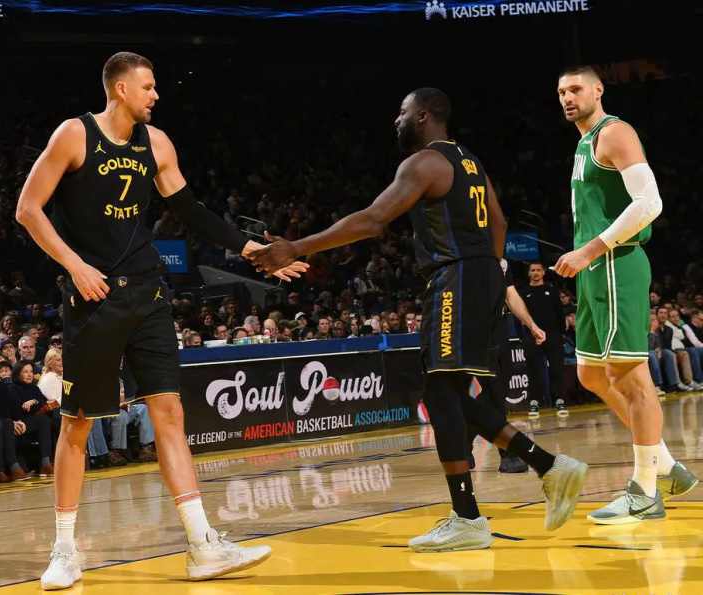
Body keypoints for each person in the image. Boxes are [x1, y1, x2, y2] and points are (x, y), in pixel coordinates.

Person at [250, 87, 588, 551]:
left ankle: (474, 514)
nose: (397, 120)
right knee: (447, 393)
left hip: (458, 276)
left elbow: (373, 220)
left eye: (403, 112)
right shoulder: (470, 161)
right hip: (483, 275)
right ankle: (543, 468)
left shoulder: (424, 162)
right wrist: (490, 274)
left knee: (440, 392)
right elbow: (501, 224)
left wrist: (297, 247)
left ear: (424, 116)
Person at [16, 51, 296, 589]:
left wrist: (253, 249)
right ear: (120, 88)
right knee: (77, 423)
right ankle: (65, 550)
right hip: (94, 298)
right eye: (147, 87)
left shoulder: (158, 143)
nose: (156, 95)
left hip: (148, 294)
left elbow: (191, 213)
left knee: (169, 412)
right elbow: (28, 208)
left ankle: (202, 544)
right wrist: (74, 266)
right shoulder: (75, 135)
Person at [553, 65, 697, 523]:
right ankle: (666, 466)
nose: (568, 97)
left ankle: (645, 490)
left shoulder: (614, 133)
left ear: (599, 90)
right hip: (594, 270)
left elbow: (650, 203)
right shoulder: (583, 142)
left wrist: (589, 250)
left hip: (616, 263)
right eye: (561, 91)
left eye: (576, 89)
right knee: (592, 374)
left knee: (630, 377)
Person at [468, 258, 547, 474]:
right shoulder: (468, 258)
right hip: (476, 329)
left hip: (500, 328)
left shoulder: (502, 263)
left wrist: (531, 325)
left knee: (497, 392)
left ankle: (463, 440)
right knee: (494, 394)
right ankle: (508, 454)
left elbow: (510, 294)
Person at [521, 261, 570, 418]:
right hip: (531, 337)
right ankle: (534, 402)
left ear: (543, 272)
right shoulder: (523, 293)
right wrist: (523, 336)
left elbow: (559, 313)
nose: (535, 273)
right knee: (533, 370)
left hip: (553, 336)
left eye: (538, 270)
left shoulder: (551, 291)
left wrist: (562, 333)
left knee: (556, 368)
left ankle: (559, 400)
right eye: (533, 270)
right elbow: (518, 316)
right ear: (529, 273)